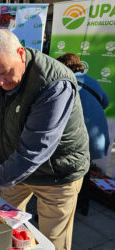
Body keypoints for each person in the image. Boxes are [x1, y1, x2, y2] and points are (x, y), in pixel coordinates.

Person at [0, 30, 89, 250]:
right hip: (15, 168)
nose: (1, 82)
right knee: (3, 228)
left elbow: (32, 153)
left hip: (57, 176)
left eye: (5, 73)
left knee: (50, 243)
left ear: (21, 53)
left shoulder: (53, 84)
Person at [57, 53, 110, 216]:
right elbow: (106, 102)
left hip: (79, 139)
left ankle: (65, 208)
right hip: (97, 139)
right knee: (84, 171)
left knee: (65, 173)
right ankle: (84, 205)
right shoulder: (91, 81)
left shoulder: (63, 83)